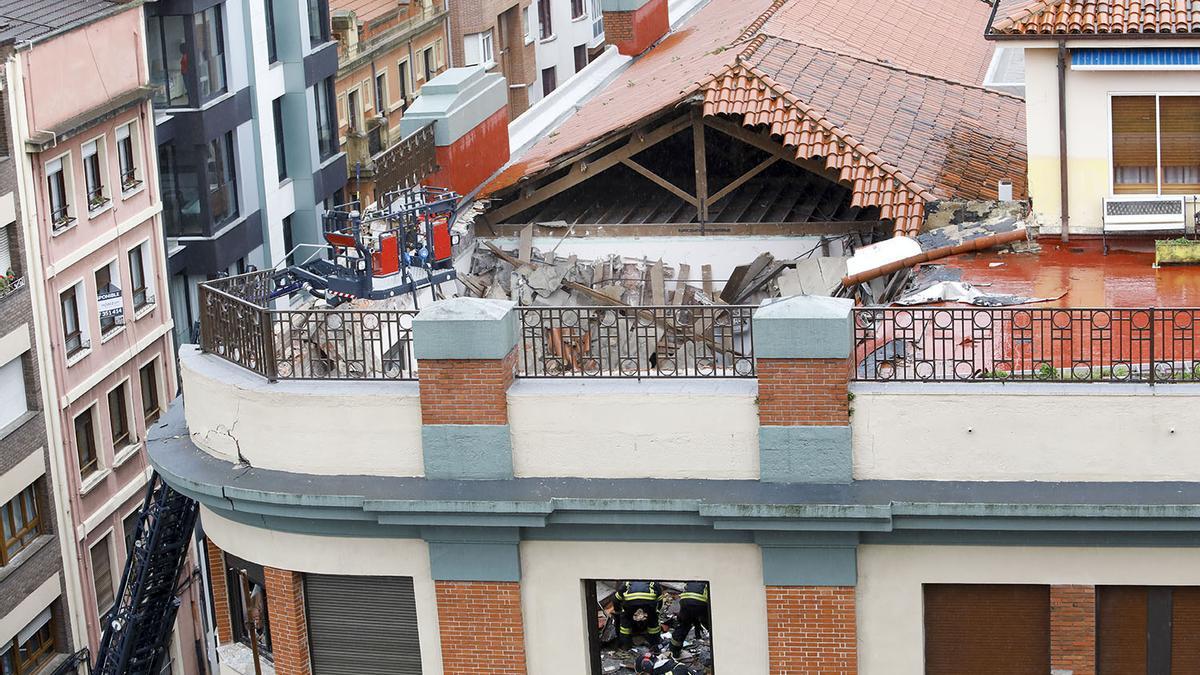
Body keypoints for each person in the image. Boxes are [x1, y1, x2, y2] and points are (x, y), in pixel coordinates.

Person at [615, 580, 664, 648]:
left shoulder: (627, 582)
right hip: (649, 602)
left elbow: (616, 599)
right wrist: (656, 611)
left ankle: (625, 645)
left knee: (626, 622)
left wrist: (618, 611)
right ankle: (654, 644)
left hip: (630, 602)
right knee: (653, 622)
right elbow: (660, 600)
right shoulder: (653, 582)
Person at [670, 581, 711, 658]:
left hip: (685, 600)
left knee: (683, 626)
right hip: (701, 602)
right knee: (710, 626)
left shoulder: (694, 579)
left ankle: (674, 652)